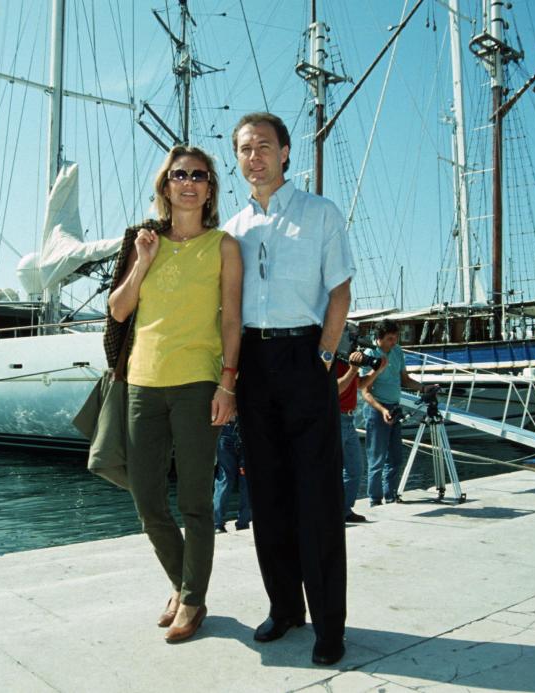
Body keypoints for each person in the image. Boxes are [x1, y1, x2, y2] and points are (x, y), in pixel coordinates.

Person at [224, 111, 354, 666]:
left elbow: (340, 291)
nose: (254, 156)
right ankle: (285, 608)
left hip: (305, 356)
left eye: (264, 146)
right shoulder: (232, 229)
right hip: (252, 360)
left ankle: (329, 624)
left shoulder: (320, 214)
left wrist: (324, 356)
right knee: (268, 493)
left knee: (318, 495)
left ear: (285, 152)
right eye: (244, 148)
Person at [108, 145, 243, 643]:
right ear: (165, 185)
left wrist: (228, 383)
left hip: (197, 384)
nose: (189, 182)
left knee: (194, 502)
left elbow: (232, 319)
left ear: (210, 189)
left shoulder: (224, 246)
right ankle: (181, 582)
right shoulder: (143, 240)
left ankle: (192, 598)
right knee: (146, 499)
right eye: (179, 174)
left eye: (199, 176)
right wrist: (142, 263)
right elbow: (119, 311)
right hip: (142, 383)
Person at [361, 318, 429, 505]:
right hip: (377, 411)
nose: (394, 342)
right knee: (376, 459)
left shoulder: (397, 351)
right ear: (379, 338)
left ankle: (390, 496)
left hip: (395, 408)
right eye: (390, 339)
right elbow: (365, 391)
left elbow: (405, 380)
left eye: (396, 338)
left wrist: (424, 388)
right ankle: (374, 500)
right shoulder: (370, 354)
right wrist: (382, 410)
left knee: (395, 458)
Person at [336, 349, 385, 523]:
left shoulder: (349, 360)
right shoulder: (330, 359)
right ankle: (334, 512)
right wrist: (353, 369)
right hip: (335, 418)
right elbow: (335, 388)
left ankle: (344, 510)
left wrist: (376, 370)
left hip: (349, 420)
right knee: (333, 470)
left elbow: (358, 385)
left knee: (355, 468)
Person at [212, 416, 251, 533]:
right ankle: (243, 523)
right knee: (246, 481)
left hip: (225, 428)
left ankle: (217, 523)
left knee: (224, 479)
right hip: (245, 430)